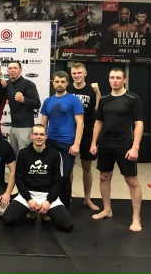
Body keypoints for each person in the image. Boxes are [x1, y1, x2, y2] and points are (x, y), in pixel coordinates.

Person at [90, 67, 144, 232]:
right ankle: (107, 209)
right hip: (106, 144)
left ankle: (136, 218)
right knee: (104, 177)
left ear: (124, 80)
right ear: (109, 80)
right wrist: (93, 143)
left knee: (132, 182)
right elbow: (98, 122)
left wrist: (135, 147)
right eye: (112, 77)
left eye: (118, 78)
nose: (115, 80)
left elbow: (139, 124)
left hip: (125, 145)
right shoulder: (105, 99)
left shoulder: (133, 99)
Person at [2, 124, 73, 232]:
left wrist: (48, 201)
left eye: (41, 134)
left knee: (67, 226)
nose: (39, 137)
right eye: (36, 134)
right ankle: (29, 210)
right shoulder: (23, 153)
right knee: (7, 219)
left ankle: (44, 211)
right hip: (28, 195)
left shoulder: (55, 154)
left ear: (46, 136)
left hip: (48, 195)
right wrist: (29, 199)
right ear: (31, 136)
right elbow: (19, 179)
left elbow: (58, 181)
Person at [40, 70, 84, 210]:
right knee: (49, 175)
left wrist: (76, 144)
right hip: (50, 142)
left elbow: (80, 123)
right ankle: (48, 204)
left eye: (62, 82)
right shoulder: (48, 101)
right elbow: (43, 123)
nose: (59, 84)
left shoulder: (74, 100)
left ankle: (64, 208)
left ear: (67, 83)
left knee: (65, 176)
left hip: (67, 144)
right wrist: (41, 141)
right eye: (57, 81)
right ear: (53, 83)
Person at [67, 62, 101, 210]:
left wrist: (98, 93)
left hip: (87, 131)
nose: (77, 76)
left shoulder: (92, 90)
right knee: (68, 167)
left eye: (79, 73)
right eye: (74, 73)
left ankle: (87, 198)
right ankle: (67, 196)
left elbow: (98, 109)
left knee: (87, 166)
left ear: (85, 73)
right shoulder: (67, 88)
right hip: (70, 132)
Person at [6, 61, 41, 155]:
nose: (12, 70)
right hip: (13, 126)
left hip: (25, 127)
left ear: (20, 70)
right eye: (10, 68)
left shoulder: (28, 84)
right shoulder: (7, 84)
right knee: (13, 156)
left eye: (15, 68)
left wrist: (23, 100)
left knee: (25, 156)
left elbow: (37, 104)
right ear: (7, 71)